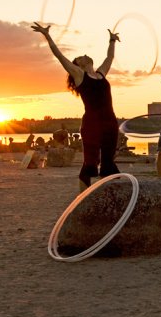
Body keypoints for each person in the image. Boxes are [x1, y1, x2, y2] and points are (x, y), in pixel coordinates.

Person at [31, 22, 121, 191]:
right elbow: (59, 56)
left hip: (110, 122)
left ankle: (110, 195)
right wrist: (47, 35)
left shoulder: (101, 73)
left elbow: (109, 58)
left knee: (108, 162)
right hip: (92, 124)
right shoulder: (79, 75)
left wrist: (112, 41)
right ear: (78, 65)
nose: (84, 55)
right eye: (80, 57)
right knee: (90, 163)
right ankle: (82, 199)